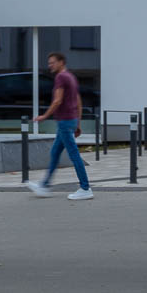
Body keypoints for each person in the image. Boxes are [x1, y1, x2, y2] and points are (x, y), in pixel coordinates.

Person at [27, 52, 93, 200]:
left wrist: (44, 116)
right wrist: (78, 123)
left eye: (52, 62)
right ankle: (44, 185)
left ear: (61, 62)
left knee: (74, 155)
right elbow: (78, 101)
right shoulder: (71, 77)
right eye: (49, 63)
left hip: (64, 122)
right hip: (70, 120)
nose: (50, 65)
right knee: (55, 153)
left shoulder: (61, 77)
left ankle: (85, 188)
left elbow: (57, 101)